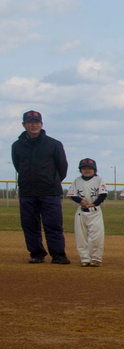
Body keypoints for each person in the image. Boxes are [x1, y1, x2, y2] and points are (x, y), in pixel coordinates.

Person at [11, 110, 70, 264]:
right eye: (30, 122)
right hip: (27, 192)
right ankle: (36, 253)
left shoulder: (54, 144)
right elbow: (18, 166)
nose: (34, 125)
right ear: (24, 125)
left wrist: (52, 181)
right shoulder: (17, 146)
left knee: (53, 224)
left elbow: (62, 167)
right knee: (30, 225)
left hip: (49, 192)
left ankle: (58, 254)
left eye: (37, 122)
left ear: (41, 124)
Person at [66, 158, 107, 267]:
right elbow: (72, 194)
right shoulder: (77, 180)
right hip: (81, 212)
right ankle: (85, 258)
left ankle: (96, 258)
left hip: (95, 211)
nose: (87, 170)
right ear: (80, 170)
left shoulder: (99, 180)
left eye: (90, 168)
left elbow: (103, 195)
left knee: (96, 237)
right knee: (81, 237)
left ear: (95, 170)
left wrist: (94, 204)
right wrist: (80, 201)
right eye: (84, 168)